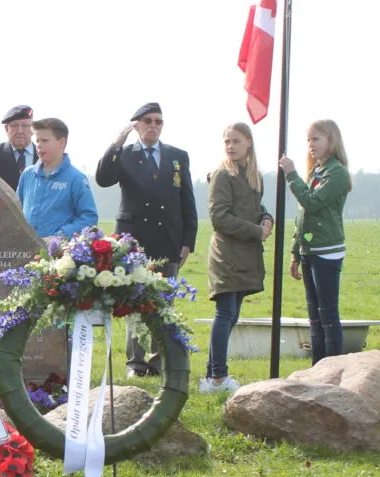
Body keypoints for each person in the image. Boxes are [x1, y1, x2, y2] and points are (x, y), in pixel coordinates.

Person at [95, 102, 198, 377]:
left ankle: (159, 361)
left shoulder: (177, 156)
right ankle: (136, 364)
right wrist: (115, 145)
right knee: (135, 304)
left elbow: (186, 199)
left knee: (163, 303)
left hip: (168, 239)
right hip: (134, 240)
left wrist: (188, 239)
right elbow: (103, 178)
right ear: (136, 125)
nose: (153, 125)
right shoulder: (125, 155)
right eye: (148, 121)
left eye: (158, 121)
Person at [201, 122, 273, 394]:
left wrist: (266, 218)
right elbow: (219, 217)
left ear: (249, 143)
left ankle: (210, 377)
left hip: (246, 254)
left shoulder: (255, 176)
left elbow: (255, 208)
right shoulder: (222, 174)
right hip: (226, 253)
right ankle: (219, 377)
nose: (230, 146)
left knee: (232, 316)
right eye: (227, 141)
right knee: (225, 313)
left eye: (236, 141)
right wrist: (257, 231)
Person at [279, 120, 352, 366]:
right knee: (314, 317)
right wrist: (295, 252)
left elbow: (311, 202)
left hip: (327, 252)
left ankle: (332, 368)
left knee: (328, 315)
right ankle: (317, 368)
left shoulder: (336, 173)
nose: (311, 144)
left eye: (316, 139)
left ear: (331, 141)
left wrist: (291, 174)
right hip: (309, 249)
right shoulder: (317, 171)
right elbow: (303, 218)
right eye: (308, 140)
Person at [16, 118, 98, 240]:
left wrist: (58, 237)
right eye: (37, 140)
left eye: (45, 141)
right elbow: (16, 210)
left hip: (59, 254)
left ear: (61, 143)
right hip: (26, 249)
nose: (39, 146)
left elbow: (89, 218)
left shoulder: (76, 178)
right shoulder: (27, 175)